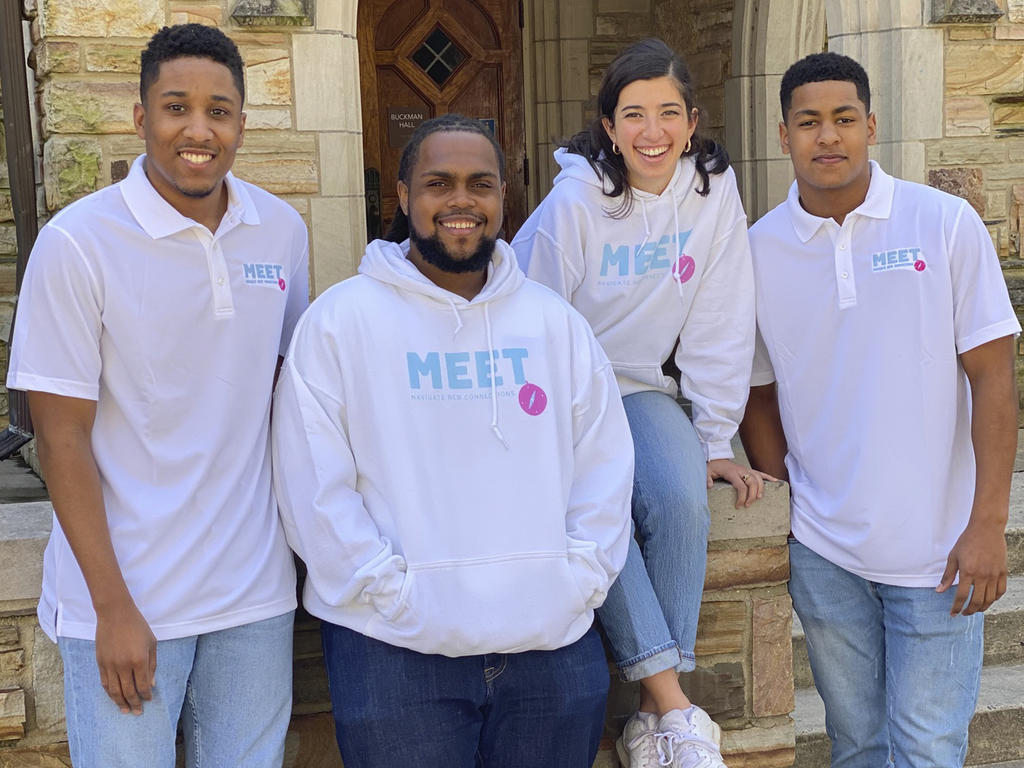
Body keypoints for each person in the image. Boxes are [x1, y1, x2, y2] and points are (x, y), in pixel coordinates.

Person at [270, 113, 634, 768]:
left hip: (551, 652)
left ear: (502, 197)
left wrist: (573, 582)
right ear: (406, 197)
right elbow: (312, 490)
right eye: (439, 183)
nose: (461, 201)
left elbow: (604, 470)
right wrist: (397, 598)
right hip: (394, 654)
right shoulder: (339, 325)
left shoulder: (555, 326)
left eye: (480, 184)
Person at [6, 23, 309, 767]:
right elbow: (60, 435)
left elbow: (287, 394)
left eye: (220, 109)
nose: (198, 129)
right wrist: (111, 608)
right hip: (127, 597)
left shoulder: (281, 231)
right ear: (143, 117)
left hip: (254, 594)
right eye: (176, 107)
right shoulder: (79, 243)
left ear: (242, 121)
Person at [740, 52, 1019, 767]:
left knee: (926, 750)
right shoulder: (756, 252)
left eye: (843, 120)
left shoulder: (945, 224)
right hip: (827, 554)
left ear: (871, 126)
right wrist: (789, 506)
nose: (827, 137)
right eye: (809, 122)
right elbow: (757, 390)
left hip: (941, 553)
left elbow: (993, 379)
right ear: (783, 135)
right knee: (857, 746)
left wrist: (989, 523)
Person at [511, 38, 766, 768]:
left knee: (683, 499)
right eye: (633, 116)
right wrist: (546, 435)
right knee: (602, 503)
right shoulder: (573, 203)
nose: (651, 132)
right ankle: (674, 707)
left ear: (692, 122)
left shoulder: (713, 193)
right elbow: (538, 321)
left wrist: (715, 438)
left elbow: (722, 317)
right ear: (608, 127)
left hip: (643, 385)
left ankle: (657, 714)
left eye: (667, 113)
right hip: (564, 392)